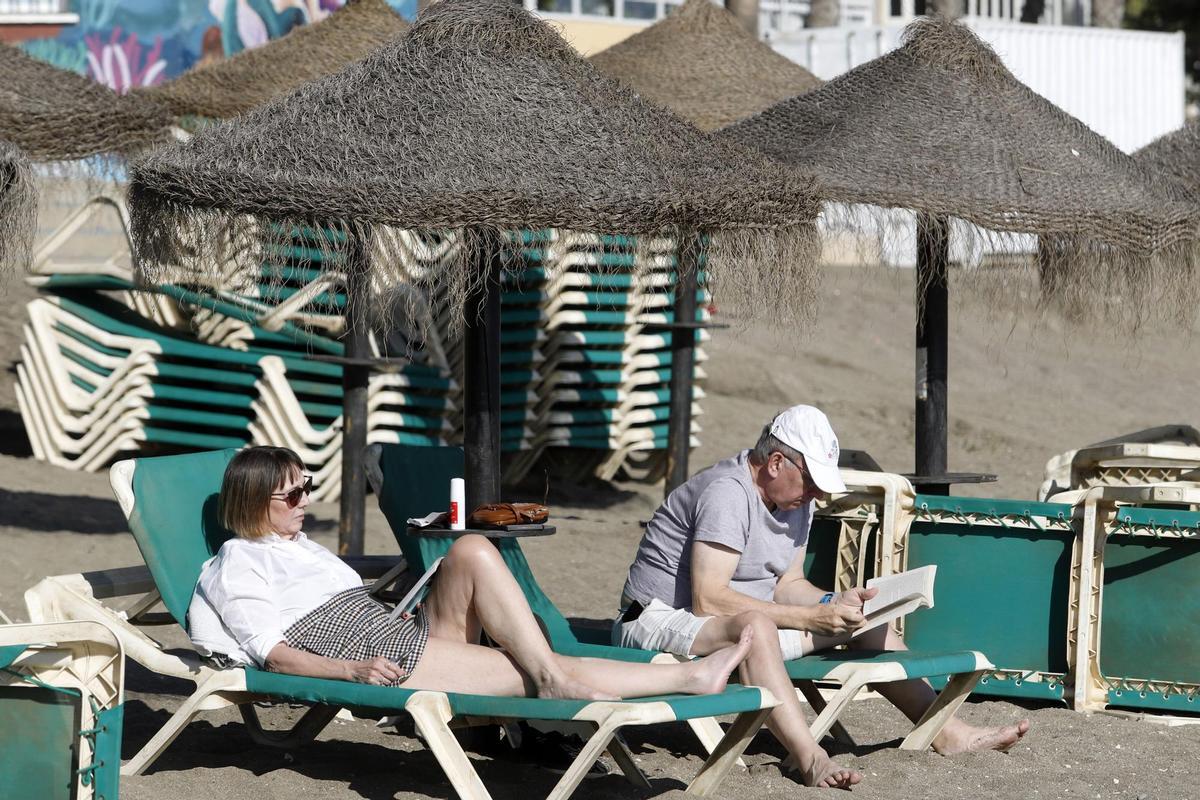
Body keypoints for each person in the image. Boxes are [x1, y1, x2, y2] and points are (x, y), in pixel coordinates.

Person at [613, 405, 1030, 789]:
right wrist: (811, 618)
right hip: (655, 618)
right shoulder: (728, 493)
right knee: (757, 628)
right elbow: (709, 600)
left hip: (730, 626)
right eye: (812, 481)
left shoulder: (794, 502)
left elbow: (786, 583)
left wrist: (835, 604)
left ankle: (949, 733)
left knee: (866, 618)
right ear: (776, 463)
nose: (818, 495)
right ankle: (810, 757)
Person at [187, 446, 755, 708]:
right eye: (294, 493)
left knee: (474, 548)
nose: (306, 499)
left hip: (388, 630)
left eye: (307, 485)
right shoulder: (239, 563)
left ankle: (564, 672)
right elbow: (274, 654)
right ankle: (687, 680)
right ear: (257, 502)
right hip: (362, 652)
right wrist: (351, 670)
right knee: (533, 673)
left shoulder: (297, 545)